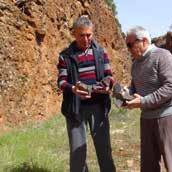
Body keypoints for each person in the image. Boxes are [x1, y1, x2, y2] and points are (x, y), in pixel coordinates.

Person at [57, 15, 116, 172]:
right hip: (75, 108)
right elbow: (61, 82)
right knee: (78, 153)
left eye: (89, 34)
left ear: (93, 33)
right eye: (81, 35)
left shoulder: (101, 52)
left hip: (98, 107)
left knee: (104, 150)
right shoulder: (65, 56)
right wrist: (73, 89)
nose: (86, 38)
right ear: (74, 34)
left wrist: (107, 85)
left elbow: (109, 75)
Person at [124, 26, 172, 172]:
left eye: (130, 44)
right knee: (148, 165)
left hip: (167, 117)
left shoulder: (163, 56)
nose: (128, 48)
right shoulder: (135, 64)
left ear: (143, 41)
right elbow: (135, 87)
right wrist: (126, 94)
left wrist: (143, 102)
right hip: (147, 119)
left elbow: (171, 87)